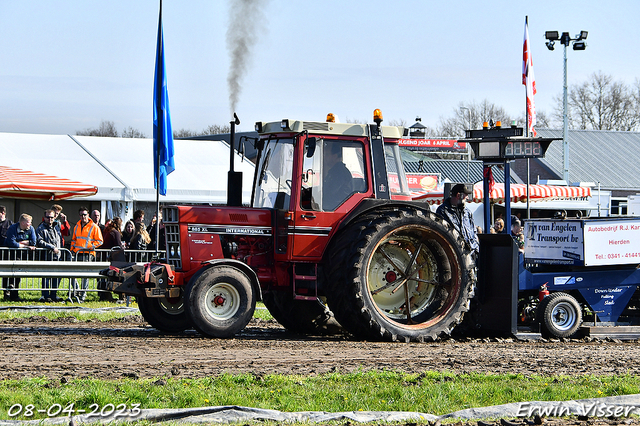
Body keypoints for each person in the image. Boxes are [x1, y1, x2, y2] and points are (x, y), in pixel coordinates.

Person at [70, 207, 103, 302]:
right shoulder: (76, 226)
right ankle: (77, 291)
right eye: (81, 215)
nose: (83, 216)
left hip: (88, 254)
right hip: (77, 253)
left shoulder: (94, 226)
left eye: (84, 214)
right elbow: (74, 240)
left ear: (88, 215)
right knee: (72, 274)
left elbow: (100, 241)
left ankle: (83, 295)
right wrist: (72, 250)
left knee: (85, 275)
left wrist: (90, 246)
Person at [436, 184, 479, 256]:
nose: (467, 198)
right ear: (458, 195)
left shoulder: (467, 212)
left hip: (470, 253)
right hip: (453, 254)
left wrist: (475, 248)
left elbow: (473, 232)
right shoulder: (443, 211)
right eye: (466, 195)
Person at [5, 214, 37, 301]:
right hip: (9, 254)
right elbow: (11, 243)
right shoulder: (12, 228)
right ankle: (6, 294)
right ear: (22, 222)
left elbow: (33, 242)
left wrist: (19, 243)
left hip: (21, 255)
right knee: (7, 275)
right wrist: (25, 245)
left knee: (17, 275)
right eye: (28, 223)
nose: (30, 224)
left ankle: (14, 295)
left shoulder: (31, 229)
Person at [35, 209, 63, 302]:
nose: (50, 219)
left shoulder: (56, 227)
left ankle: (53, 295)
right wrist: (52, 247)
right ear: (44, 218)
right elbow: (39, 241)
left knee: (56, 276)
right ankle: (46, 296)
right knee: (46, 276)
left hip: (57, 256)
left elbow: (59, 240)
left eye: (52, 217)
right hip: (46, 256)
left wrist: (59, 251)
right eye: (48, 217)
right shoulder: (40, 228)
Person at [322, 143, 353, 211]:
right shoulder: (334, 171)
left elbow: (330, 192)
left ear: (335, 156)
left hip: (335, 208)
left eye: (327, 154)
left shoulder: (339, 173)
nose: (324, 157)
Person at [0, 206, 16, 300]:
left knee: (7, 274)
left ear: (3, 213)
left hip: (7, 253)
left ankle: (8, 292)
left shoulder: (10, 224)